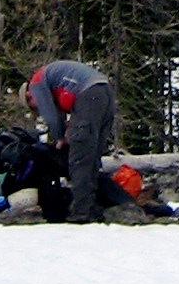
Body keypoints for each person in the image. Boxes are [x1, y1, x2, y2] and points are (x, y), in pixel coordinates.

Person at [24, 59, 117, 223]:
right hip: (105, 93)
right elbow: (60, 114)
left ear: (28, 95)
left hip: (89, 95)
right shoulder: (54, 81)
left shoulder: (36, 84)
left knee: (79, 159)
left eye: (33, 106)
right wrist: (67, 132)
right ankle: (92, 207)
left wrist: (60, 137)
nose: (36, 110)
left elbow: (51, 117)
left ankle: (81, 212)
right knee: (91, 157)